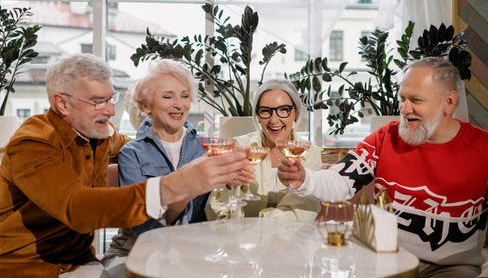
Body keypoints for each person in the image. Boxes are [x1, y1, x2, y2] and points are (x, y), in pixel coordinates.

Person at [0, 54, 248, 278]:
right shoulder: (32, 143)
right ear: (63, 104)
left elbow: (144, 147)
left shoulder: (101, 135)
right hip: (25, 267)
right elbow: (75, 207)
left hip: (79, 264)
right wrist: (177, 185)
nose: (110, 110)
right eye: (98, 101)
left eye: (111, 99)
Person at [278, 57, 488, 277]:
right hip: (386, 259)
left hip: (451, 268)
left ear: (449, 103)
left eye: (416, 100)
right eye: (402, 98)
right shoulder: (385, 138)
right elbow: (339, 182)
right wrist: (303, 178)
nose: (404, 108)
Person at [101, 59, 211, 276]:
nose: (179, 104)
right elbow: (143, 228)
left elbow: (213, 215)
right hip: (134, 249)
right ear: (146, 105)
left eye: (185, 96)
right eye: (168, 96)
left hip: (191, 252)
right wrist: (180, 196)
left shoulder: (205, 149)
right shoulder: (131, 154)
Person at [206, 79, 322, 221]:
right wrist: (229, 187)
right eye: (266, 111)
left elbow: (302, 214)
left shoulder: (311, 153)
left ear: (295, 113)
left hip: (293, 239)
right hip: (243, 240)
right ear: (258, 116)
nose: (274, 120)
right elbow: (215, 214)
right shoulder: (239, 147)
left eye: (283, 110)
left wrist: (254, 222)